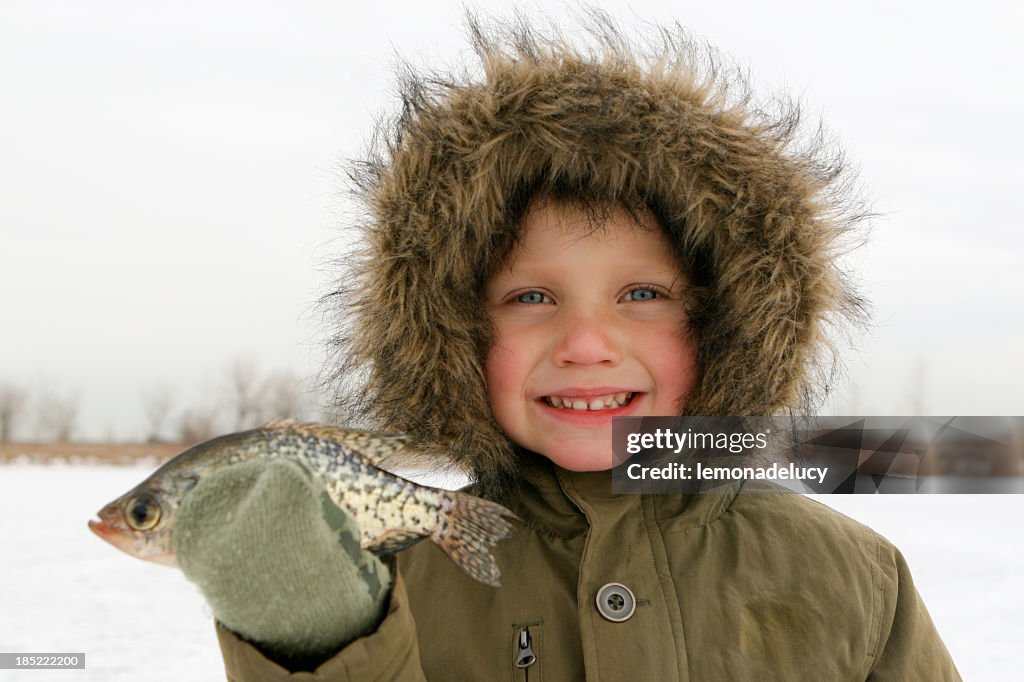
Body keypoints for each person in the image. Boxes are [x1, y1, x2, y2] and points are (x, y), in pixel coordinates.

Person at [171, 12, 962, 680]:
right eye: (531, 298)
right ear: (450, 333)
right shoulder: (391, 583)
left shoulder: (857, 576)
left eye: (642, 295)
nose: (586, 343)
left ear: (731, 326)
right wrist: (321, 639)